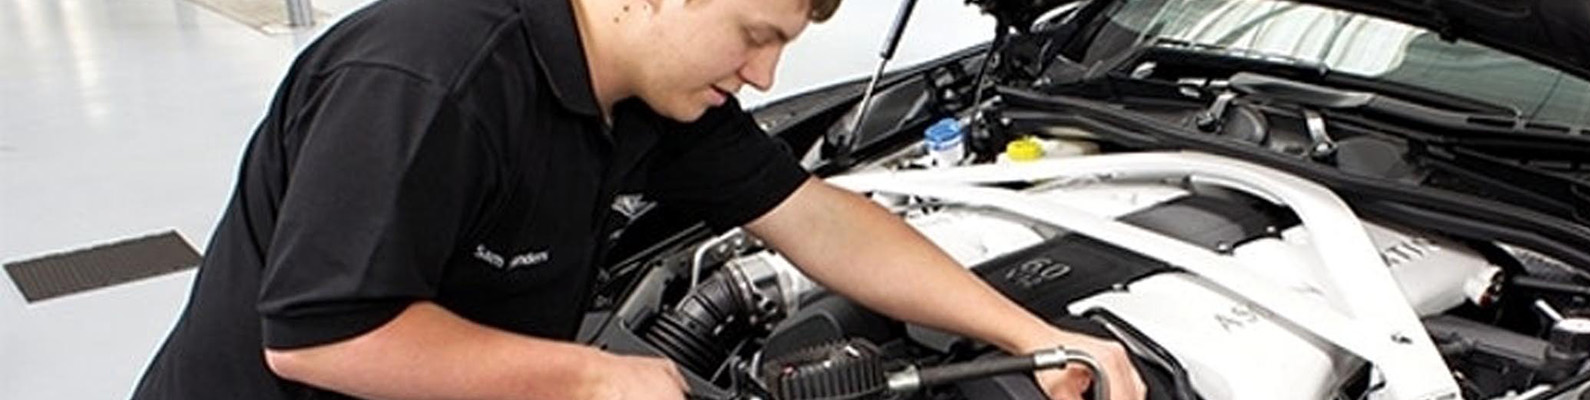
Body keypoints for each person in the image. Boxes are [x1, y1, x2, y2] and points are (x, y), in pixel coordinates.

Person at [130, 0, 1148, 398]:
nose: (761, 75)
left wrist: (1029, 335)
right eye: (757, 33)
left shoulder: (651, 94)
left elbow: (819, 218)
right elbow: (317, 334)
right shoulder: (431, 77)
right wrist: (592, 377)